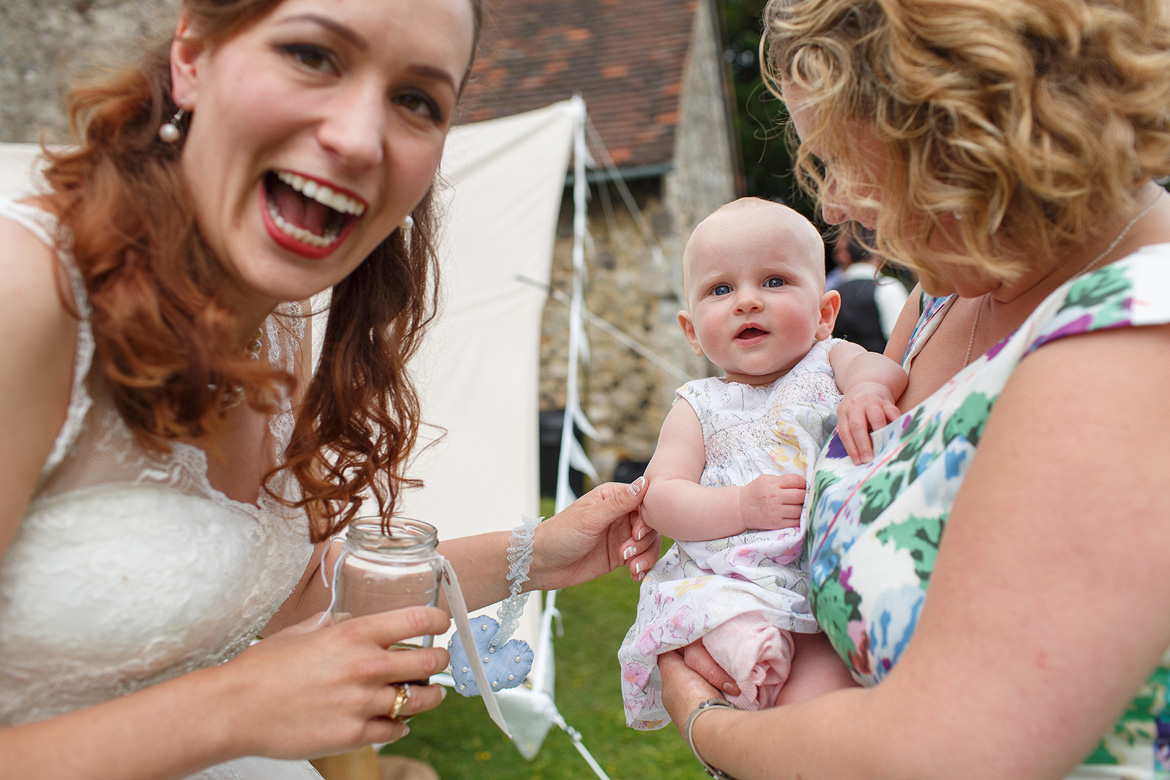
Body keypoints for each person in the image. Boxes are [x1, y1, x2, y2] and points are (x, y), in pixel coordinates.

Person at [0, 2, 661, 779]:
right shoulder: (28, 294)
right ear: (192, 58)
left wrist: (540, 555)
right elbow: (242, 685)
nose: (357, 139)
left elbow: (294, 594)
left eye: (416, 101)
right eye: (313, 56)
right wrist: (231, 707)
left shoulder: (279, 321)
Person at [655, 0, 1170, 778]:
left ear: (960, 118)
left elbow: (941, 755)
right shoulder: (945, 298)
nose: (829, 205)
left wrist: (704, 722)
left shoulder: (1136, 334)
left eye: (836, 158)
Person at [618, 197, 906, 728]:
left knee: (828, 700)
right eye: (720, 289)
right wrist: (741, 505)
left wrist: (865, 392)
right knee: (748, 646)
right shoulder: (697, 406)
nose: (747, 302)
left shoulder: (831, 362)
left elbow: (882, 367)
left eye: (774, 281)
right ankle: (751, 674)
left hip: (824, 575)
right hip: (736, 581)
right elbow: (661, 496)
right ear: (691, 331)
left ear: (825, 314)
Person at [828, 227, 909, 353]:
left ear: (846, 256)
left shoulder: (832, 294)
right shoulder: (887, 288)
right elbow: (903, 344)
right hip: (886, 369)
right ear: (875, 253)